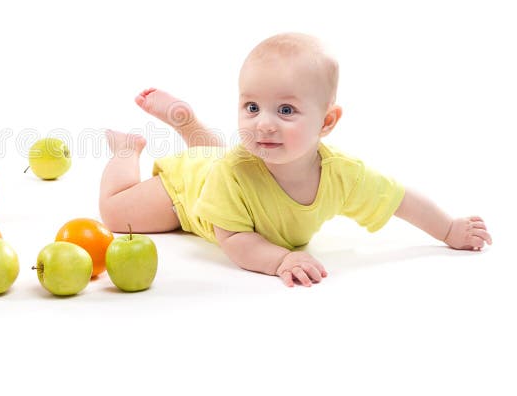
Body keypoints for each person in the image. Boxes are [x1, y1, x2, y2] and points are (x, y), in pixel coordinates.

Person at [98, 32, 492, 287]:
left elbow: (399, 199)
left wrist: (448, 229)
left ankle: (189, 127)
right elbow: (234, 239)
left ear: (327, 121)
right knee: (118, 215)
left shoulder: (343, 175)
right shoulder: (235, 170)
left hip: (217, 164)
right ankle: (126, 151)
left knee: (220, 157)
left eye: (285, 111)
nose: (264, 124)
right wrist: (281, 260)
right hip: (187, 192)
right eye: (251, 107)